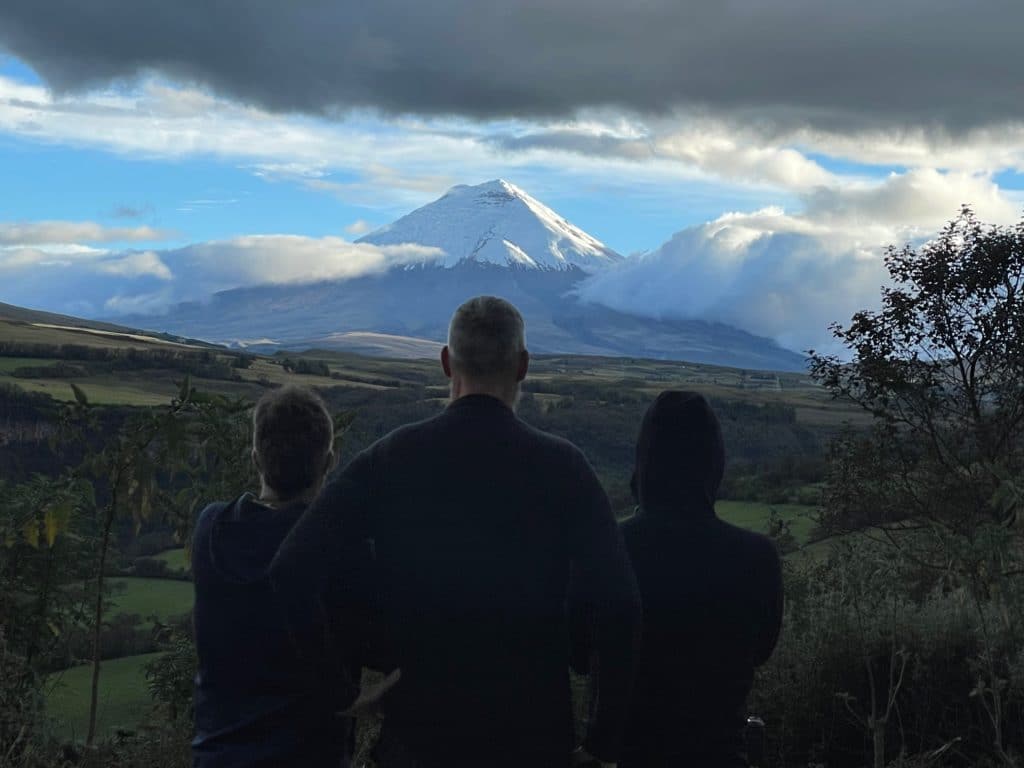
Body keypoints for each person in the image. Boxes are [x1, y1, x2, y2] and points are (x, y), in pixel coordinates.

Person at [270, 296, 641, 768]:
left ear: (446, 362)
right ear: (523, 366)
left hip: (418, 743)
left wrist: (340, 692)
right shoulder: (565, 468)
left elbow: (290, 569)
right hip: (533, 743)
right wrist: (603, 742)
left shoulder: (392, 458)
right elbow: (621, 605)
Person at [578, 390, 783, 768]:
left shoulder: (605, 550)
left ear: (644, 462)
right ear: (714, 464)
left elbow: (578, 655)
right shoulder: (758, 559)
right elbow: (760, 652)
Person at [192, 385, 393, 768]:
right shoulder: (340, 551)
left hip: (217, 757)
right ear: (330, 460)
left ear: (256, 458)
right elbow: (382, 640)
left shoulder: (210, 528)